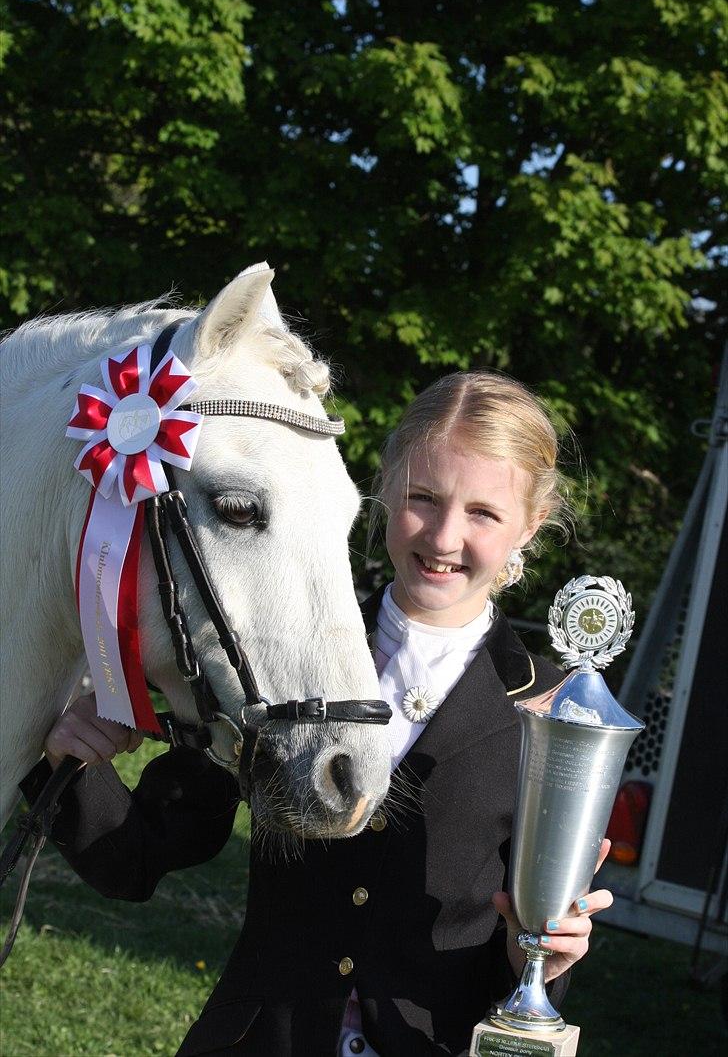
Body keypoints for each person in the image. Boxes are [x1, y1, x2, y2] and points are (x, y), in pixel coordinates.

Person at [21, 370, 612, 1056]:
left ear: (530, 525)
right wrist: (70, 762)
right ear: (385, 486)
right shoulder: (274, 656)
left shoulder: (550, 713)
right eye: (423, 498)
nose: (445, 536)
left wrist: (541, 954)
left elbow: (522, 978)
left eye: (483, 513)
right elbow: (137, 857)